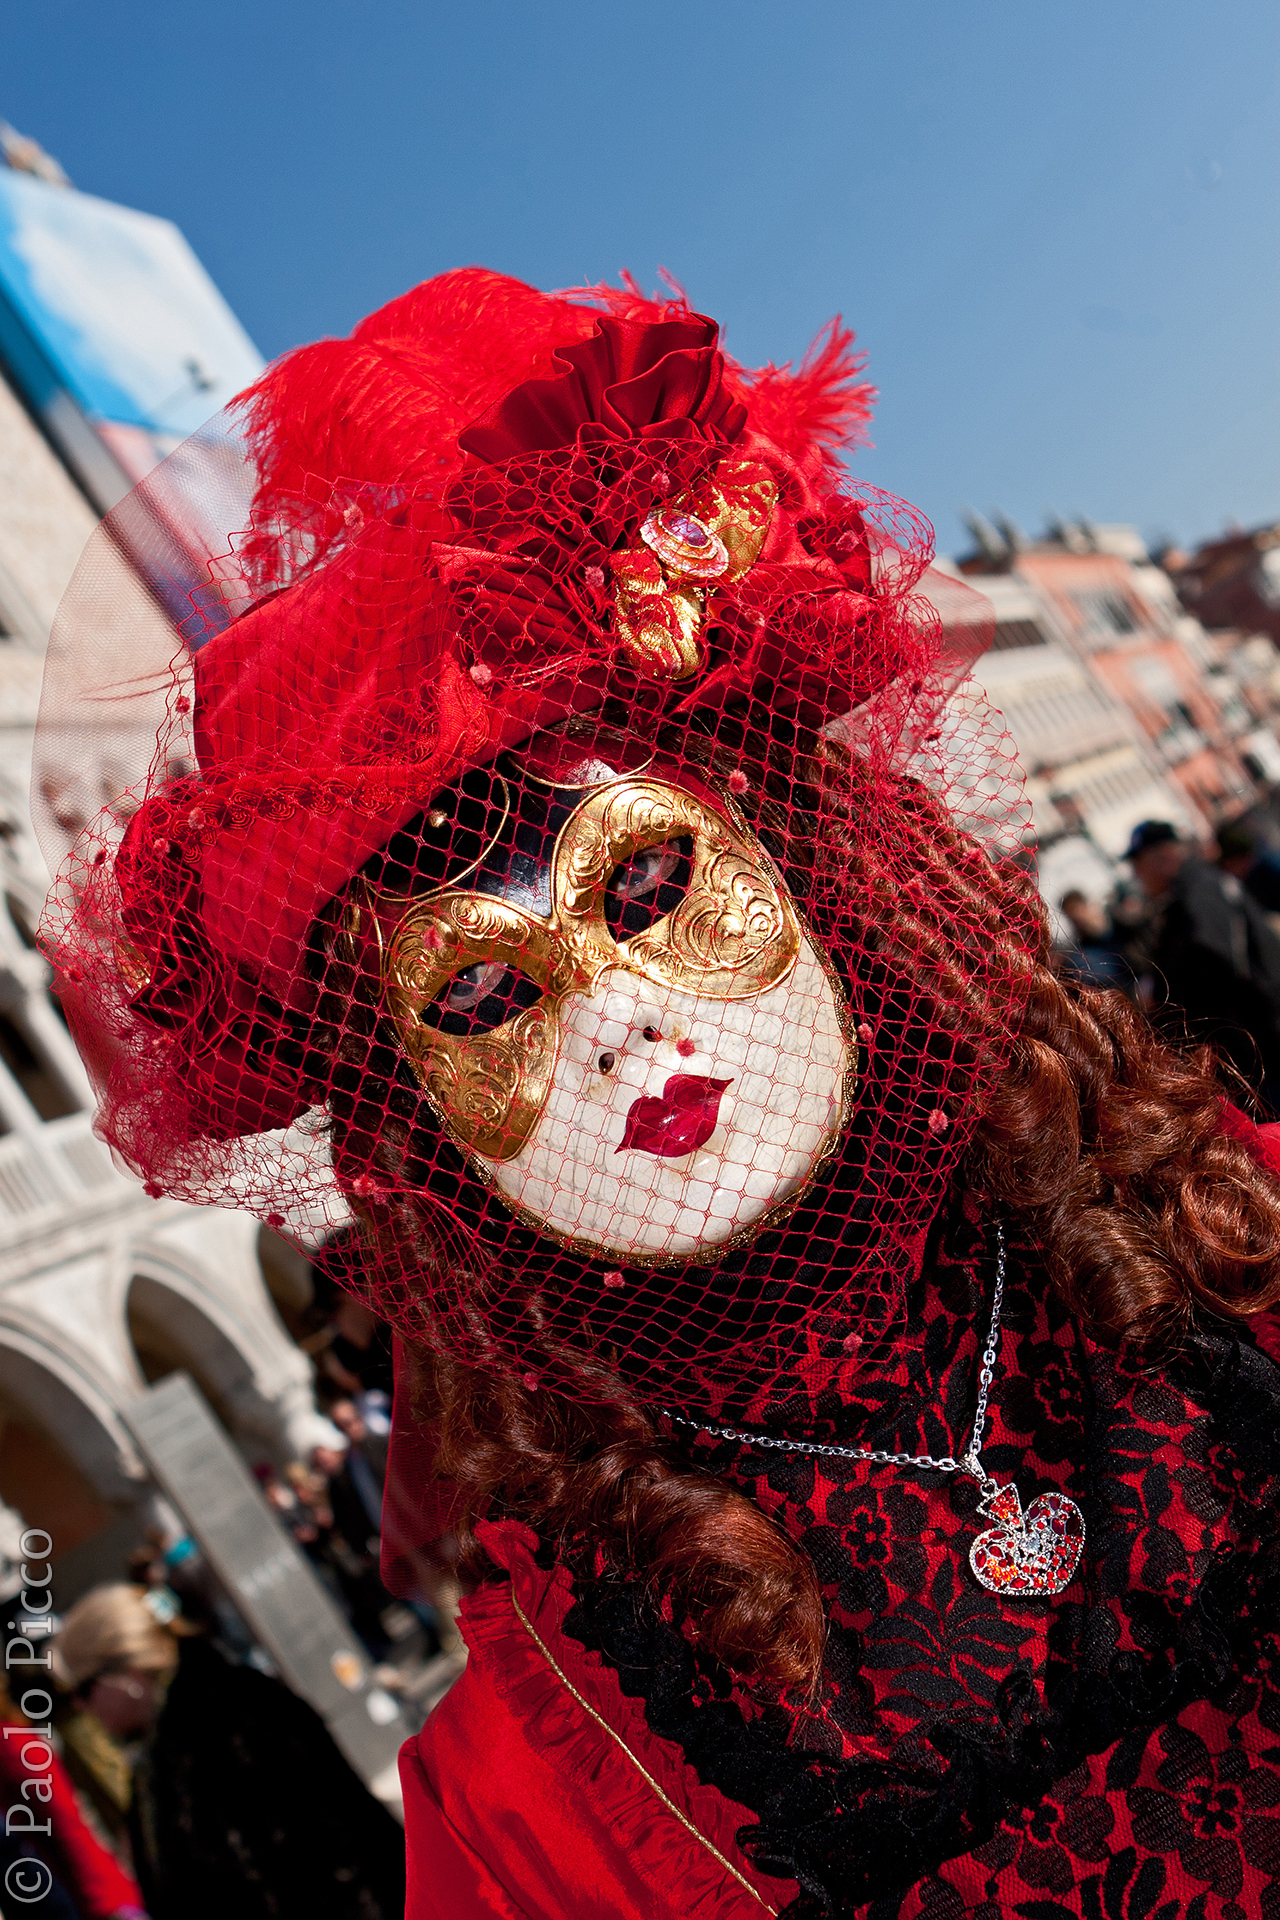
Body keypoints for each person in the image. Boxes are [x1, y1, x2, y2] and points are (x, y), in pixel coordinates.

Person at [36, 270, 1280, 1917]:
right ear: (418, 1127)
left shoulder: (1233, 1218)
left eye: (647, 888)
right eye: (485, 997)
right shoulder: (536, 1781)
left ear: (809, 866)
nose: (617, 1020)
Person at [53, 1584, 404, 1920]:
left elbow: (337, 1856)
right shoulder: (163, 1756)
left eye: (83, 1689)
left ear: (126, 1673)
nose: (82, 1707)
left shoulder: (231, 1721)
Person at [1125, 817, 1280, 1104]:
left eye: (1138, 865)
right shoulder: (1194, 891)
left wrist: (1161, 994)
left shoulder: (1197, 895)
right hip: (1255, 1048)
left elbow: (1216, 962)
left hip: (1260, 1048)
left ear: (1165, 856)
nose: (1136, 875)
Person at [1055, 887, 1131, 991]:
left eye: (1077, 911)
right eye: (1071, 917)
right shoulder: (1079, 949)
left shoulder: (1116, 922)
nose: (1076, 920)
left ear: (1085, 906)